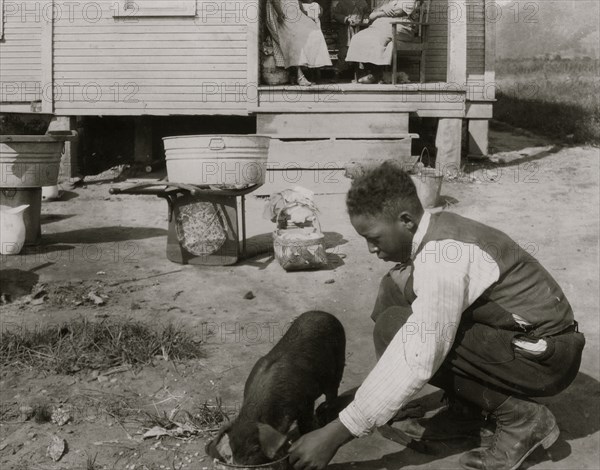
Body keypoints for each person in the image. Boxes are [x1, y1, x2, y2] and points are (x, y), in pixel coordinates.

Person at [289, 161, 585, 470]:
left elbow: (418, 355)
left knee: (398, 329)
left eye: (374, 238)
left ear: (405, 221)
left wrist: (337, 433)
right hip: (522, 338)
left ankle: (521, 418)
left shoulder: (444, 255)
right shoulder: (434, 229)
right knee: (394, 290)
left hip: (548, 357)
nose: (370, 249)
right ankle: (469, 409)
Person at [345, 0, 419, 83]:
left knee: (378, 38)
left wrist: (380, 12)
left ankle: (377, 74)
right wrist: (384, 8)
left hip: (400, 26)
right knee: (357, 38)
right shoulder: (386, 1)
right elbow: (371, 16)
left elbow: (399, 12)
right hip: (380, 26)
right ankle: (369, 72)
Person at [265, 0, 332, 86]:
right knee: (294, 38)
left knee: (315, 33)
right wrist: (279, 12)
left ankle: (312, 71)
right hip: (281, 12)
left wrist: (304, 12)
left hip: (294, 11)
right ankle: (299, 76)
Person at [331, 0, 370, 78]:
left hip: (359, 30)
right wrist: (346, 19)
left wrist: (366, 18)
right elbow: (335, 14)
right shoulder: (342, 3)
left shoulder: (363, 2)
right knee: (343, 52)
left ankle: (360, 73)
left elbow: (367, 13)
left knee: (360, 51)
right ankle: (338, 73)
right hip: (346, 31)